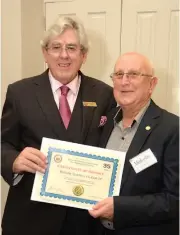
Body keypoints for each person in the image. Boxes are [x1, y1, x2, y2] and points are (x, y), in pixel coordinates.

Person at [1, 16, 116, 235]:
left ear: (84, 55)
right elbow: (3, 143)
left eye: (72, 48)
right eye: (56, 47)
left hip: (85, 220)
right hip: (30, 219)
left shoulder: (104, 94)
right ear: (45, 53)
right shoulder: (20, 93)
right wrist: (13, 161)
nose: (64, 55)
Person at [89, 52, 179, 235]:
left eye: (133, 74)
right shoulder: (103, 123)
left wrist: (120, 208)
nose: (124, 81)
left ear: (152, 84)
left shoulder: (172, 129)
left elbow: (174, 200)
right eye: (118, 74)